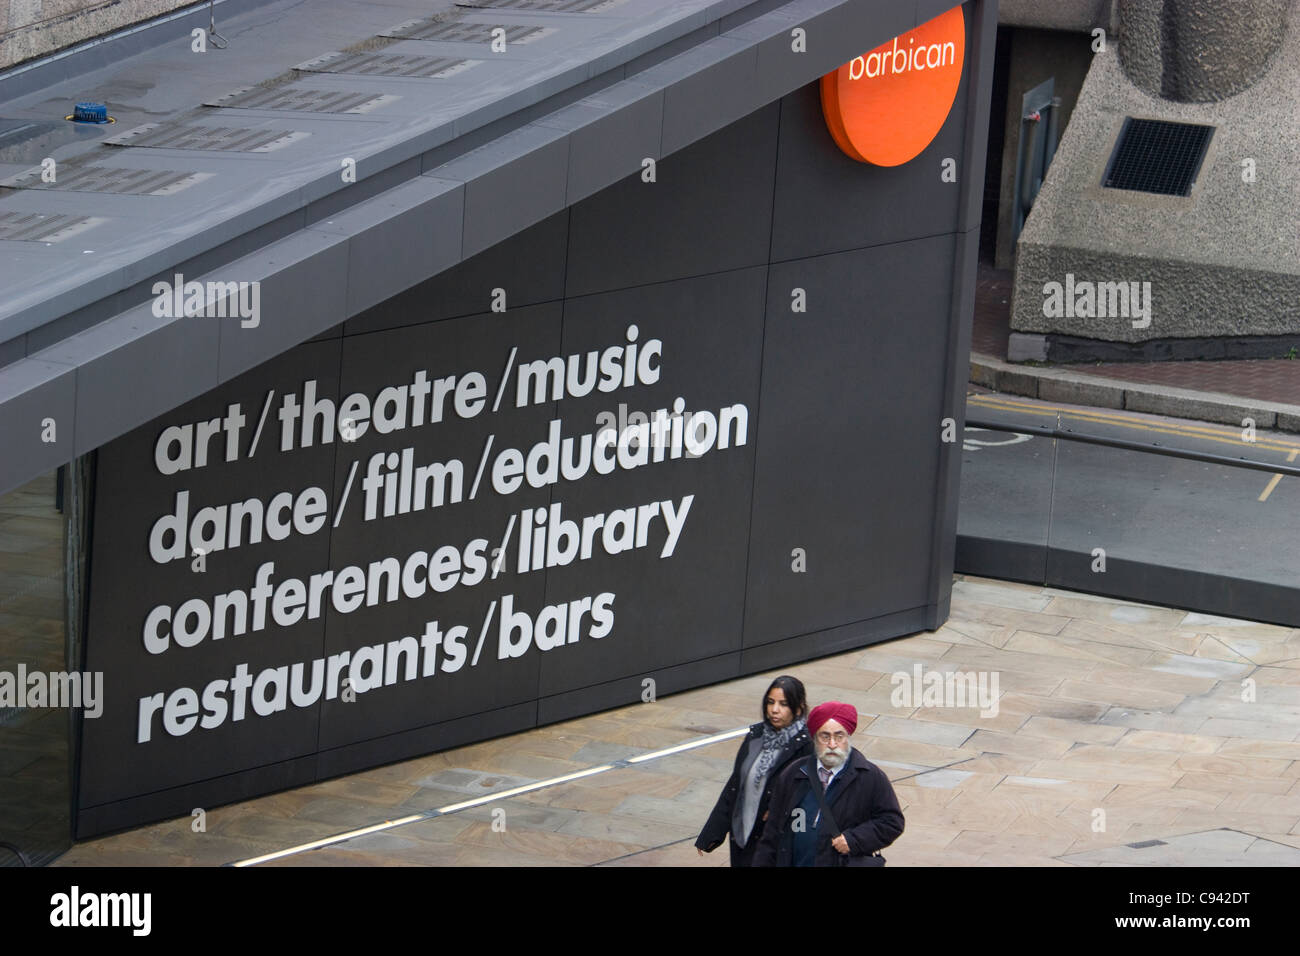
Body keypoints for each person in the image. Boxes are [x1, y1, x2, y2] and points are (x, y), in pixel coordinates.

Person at [752, 700, 903, 867]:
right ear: (815, 738)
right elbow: (772, 833)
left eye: (839, 736)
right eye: (825, 736)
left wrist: (854, 840)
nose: (832, 744)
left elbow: (891, 822)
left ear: (848, 737)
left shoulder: (869, 777)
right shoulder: (794, 773)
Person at [695, 675, 812, 866]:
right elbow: (736, 784)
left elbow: (809, 796)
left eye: (783, 704)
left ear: (798, 708)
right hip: (744, 834)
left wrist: (779, 809)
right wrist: (712, 832)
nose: (774, 710)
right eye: (770, 702)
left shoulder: (805, 746)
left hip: (776, 840)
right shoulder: (755, 736)